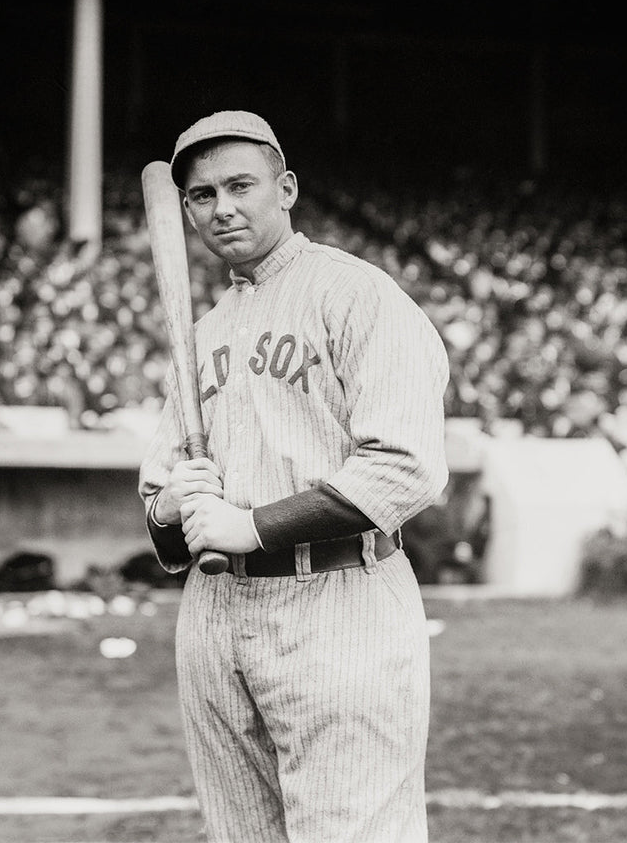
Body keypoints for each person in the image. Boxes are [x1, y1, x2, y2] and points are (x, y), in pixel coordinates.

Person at [138, 111, 449, 843]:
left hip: (340, 603)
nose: (223, 208)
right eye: (202, 196)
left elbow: (404, 468)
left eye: (241, 185)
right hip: (215, 615)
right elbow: (158, 507)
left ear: (286, 188)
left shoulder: (357, 296)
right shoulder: (201, 330)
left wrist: (250, 524)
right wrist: (172, 506)